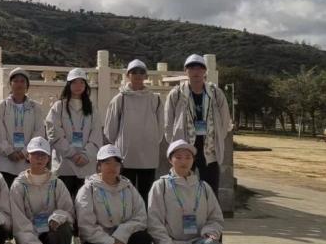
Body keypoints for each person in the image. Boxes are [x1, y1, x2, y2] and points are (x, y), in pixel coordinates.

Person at [147, 139, 224, 244]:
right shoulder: (160, 186)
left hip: (196, 243)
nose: (184, 161)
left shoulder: (204, 187)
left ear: (193, 160)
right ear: (170, 160)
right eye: (178, 157)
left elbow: (215, 218)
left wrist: (210, 232)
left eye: (188, 157)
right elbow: (154, 223)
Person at [75, 144, 151, 244]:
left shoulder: (128, 187)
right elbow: (86, 226)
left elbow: (140, 217)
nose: (112, 167)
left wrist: (122, 235)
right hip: (98, 241)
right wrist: (109, 242)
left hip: (123, 239)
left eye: (116, 163)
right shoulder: (88, 189)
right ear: (99, 166)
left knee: (143, 238)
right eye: (107, 163)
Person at [164, 54, 232, 199]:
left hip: (209, 149)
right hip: (185, 148)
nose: (196, 71)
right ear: (186, 71)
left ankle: (210, 213)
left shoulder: (215, 93)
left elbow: (225, 118)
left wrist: (218, 137)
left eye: (199, 68)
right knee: (182, 187)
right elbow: (168, 122)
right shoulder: (177, 93)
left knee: (210, 190)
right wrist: (175, 145)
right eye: (192, 68)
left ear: (204, 71)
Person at [10, 136, 75, 244]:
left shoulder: (57, 183)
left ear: (48, 158)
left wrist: (57, 218)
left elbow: (67, 210)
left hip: (51, 231)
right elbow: (19, 221)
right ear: (28, 156)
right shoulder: (18, 185)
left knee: (64, 227)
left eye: (43, 155)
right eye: (35, 154)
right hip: (28, 233)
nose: (39, 158)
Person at [103, 59, 164, 204]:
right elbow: (110, 129)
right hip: (125, 157)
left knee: (146, 195)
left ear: (146, 76)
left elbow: (161, 127)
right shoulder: (120, 99)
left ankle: (144, 219)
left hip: (148, 157)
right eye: (134, 72)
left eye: (141, 72)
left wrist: (151, 142)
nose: (138, 75)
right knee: (124, 194)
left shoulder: (155, 99)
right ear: (128, 75)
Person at [46, 67, 102, 200]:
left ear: (86, 85)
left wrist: (86, 155)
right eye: (74, 82)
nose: (78, 86)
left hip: (86, 165)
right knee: (63, 203)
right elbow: (54, 133)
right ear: (68, 85)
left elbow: (96, 135)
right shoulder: (59, 107)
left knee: (84, 203)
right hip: (64, 165)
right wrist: (72, 154)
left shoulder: (92, 108)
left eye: (81, 82)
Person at [0, 68, 46, 187]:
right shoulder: (2, 107)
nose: (19, 84)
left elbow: (39, 132)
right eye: (15, 81)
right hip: (5, 163)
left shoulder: (35, 107)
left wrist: (24, 152)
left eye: (22, 81)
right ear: (10, 84)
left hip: (27, 162)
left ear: (27, 85)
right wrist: (9, 151)